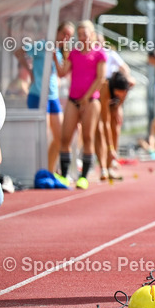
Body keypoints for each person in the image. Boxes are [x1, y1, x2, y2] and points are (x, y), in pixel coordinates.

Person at [16, 22, 74, 174]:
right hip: (38, 95)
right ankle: (38, 170)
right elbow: (19, 52)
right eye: (64, 34)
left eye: (69, 36)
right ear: (57, 32)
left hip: (53, 97)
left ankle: (49, 169)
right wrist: (30, 72)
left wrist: (56, 58)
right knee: (42, 136)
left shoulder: (62, 52)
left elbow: (61, 73)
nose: (65, 38)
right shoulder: (43, 45)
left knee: (60, 137)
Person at [55, 21, 107, 190]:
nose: (83, 37)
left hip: (91, 102)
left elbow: (101, 78)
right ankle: (63, 175)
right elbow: (63, 73)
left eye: (85, 34)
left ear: (92, 34)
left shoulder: (99, 54)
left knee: (88, 137)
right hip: (73, 100)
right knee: (65, 137)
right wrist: (56, 54)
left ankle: (83, 177)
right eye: (80, 34)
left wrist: (86, 98)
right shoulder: (74, 53)